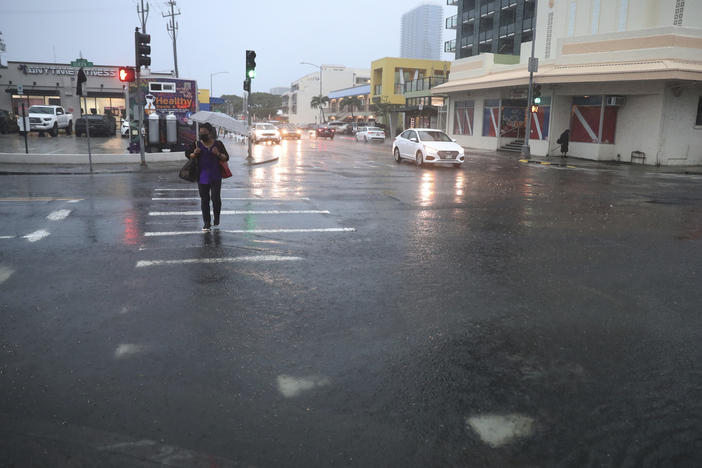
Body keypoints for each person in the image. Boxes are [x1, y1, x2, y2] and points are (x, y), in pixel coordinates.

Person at [186, 123, 229, 232]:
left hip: (215, 176)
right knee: (204, 200)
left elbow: (226, 157)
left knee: (216, 199)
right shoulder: (196, 144)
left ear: (210, 133)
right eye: (200, 132)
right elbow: (188, 154)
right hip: (202, 177)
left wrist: (217, 153)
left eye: (204, 132)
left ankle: (217, 216)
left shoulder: (218, 144)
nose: (202, 134)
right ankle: (207, 223)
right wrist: (194, 154)